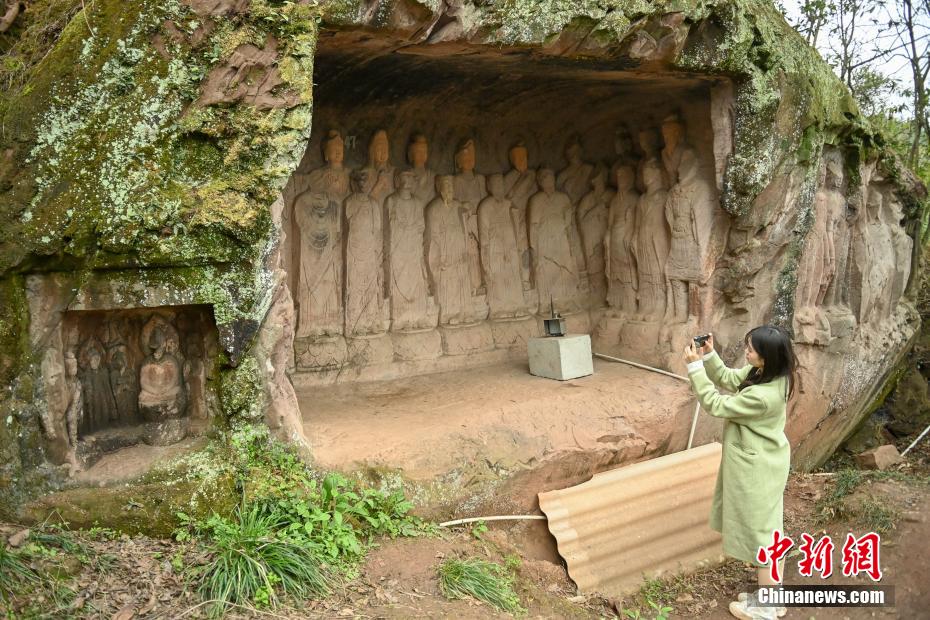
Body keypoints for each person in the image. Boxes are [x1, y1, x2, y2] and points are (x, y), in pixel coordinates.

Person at [682, 326, 797, 620]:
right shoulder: (772, 374)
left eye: (751, 349)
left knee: (763, 535)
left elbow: (715, 404)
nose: (747, 352)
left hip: (757, 468)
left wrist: (694, 367)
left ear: (767, 357)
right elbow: (732, 379)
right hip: (766, 461)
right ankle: (773, 594)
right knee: (769, 529)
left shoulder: (763, 396)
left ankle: (767, 608)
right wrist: (709, 356)